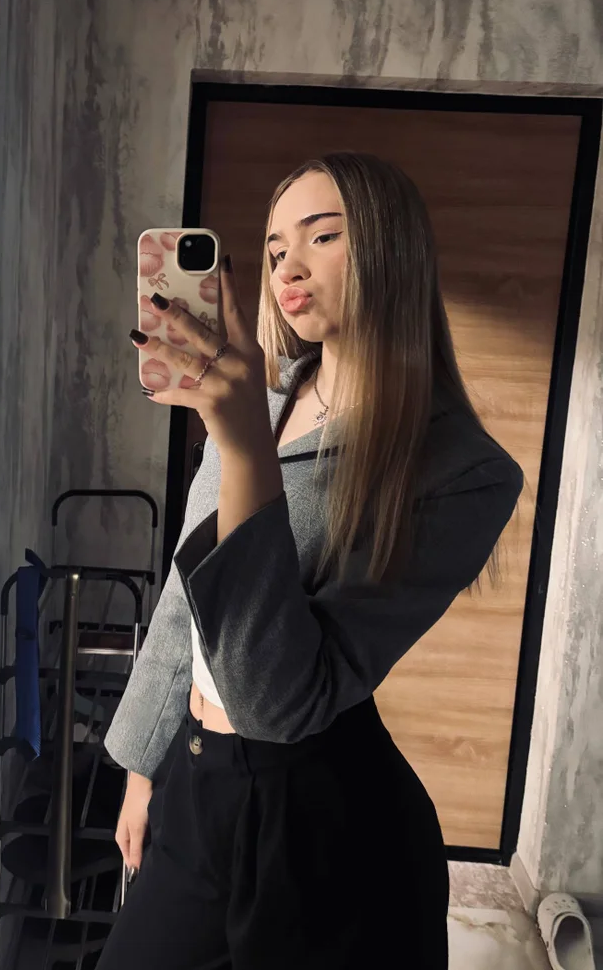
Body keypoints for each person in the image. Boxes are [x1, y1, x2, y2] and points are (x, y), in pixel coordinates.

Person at [98, 152, 523, 969]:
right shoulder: (256, 402)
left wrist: (244, 450)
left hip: (327, 823)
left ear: (391, 248)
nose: (288, 265)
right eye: (274, 247)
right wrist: (142, 765)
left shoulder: (464, 472)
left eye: (322, 236)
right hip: (198, 775)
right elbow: (187, 602)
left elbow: (278, 700)